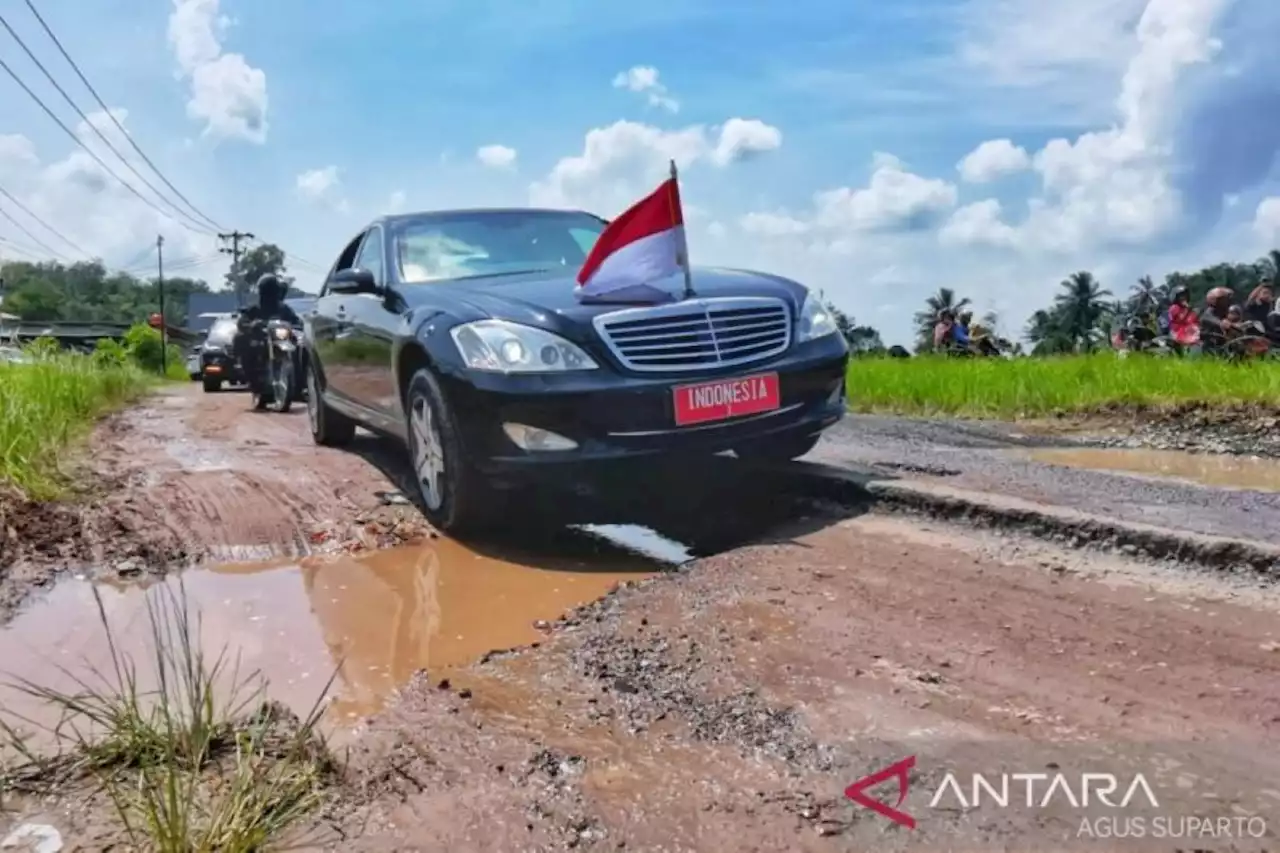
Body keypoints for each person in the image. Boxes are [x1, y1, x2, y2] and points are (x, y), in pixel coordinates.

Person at [235, 273, 302, 389]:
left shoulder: (283, 308)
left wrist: (297, 326)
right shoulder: (255, 308)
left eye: (272, 291)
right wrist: (251, 325)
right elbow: (242, 322)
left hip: (281, 340)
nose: (269, 295)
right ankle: (252, 378)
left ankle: (300, 381)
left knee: (299, 348)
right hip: (261, 340)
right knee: (241, 340)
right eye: (267, 291)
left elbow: (295, 321)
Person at [1198, 286, 1236, 354]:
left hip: (1221, 343)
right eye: (1224, 299)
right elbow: (1216, 322)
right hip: (1207, 345)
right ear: (1214, 300)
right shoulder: (1208, 314)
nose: (1227, 301)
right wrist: (1223, 323)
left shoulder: (1224, 313)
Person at [1167, 286, 1200, 350]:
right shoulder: (1174, 308)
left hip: (1190, 333)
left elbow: (1195, 322)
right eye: (1181, 296)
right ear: (1175, 297)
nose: (1184, 298)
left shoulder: (1188, 309)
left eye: (1185, 295)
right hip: (1177, 332)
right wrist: (1188, 311)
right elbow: (1180, 321)